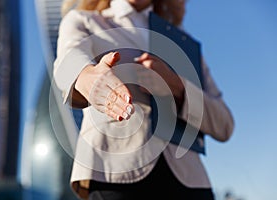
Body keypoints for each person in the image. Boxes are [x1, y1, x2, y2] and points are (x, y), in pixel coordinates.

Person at [53, 0, 234, 199]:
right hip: (115, 173)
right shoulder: (84, 21)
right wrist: (87, 76)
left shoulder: (183, 42)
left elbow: (225, 124)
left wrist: (178, 87)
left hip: (190, 179)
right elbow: (68, 62)